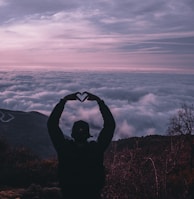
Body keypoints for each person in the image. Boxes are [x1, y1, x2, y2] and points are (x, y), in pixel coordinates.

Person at [47, 92, 116, 199]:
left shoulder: (64, 149)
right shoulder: (96, 150)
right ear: (88, 135)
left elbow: (52, 124)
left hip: (69, 194)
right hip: (93, 195)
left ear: (73, 134)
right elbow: (110, 126)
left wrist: (63, 101)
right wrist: (100, 102)